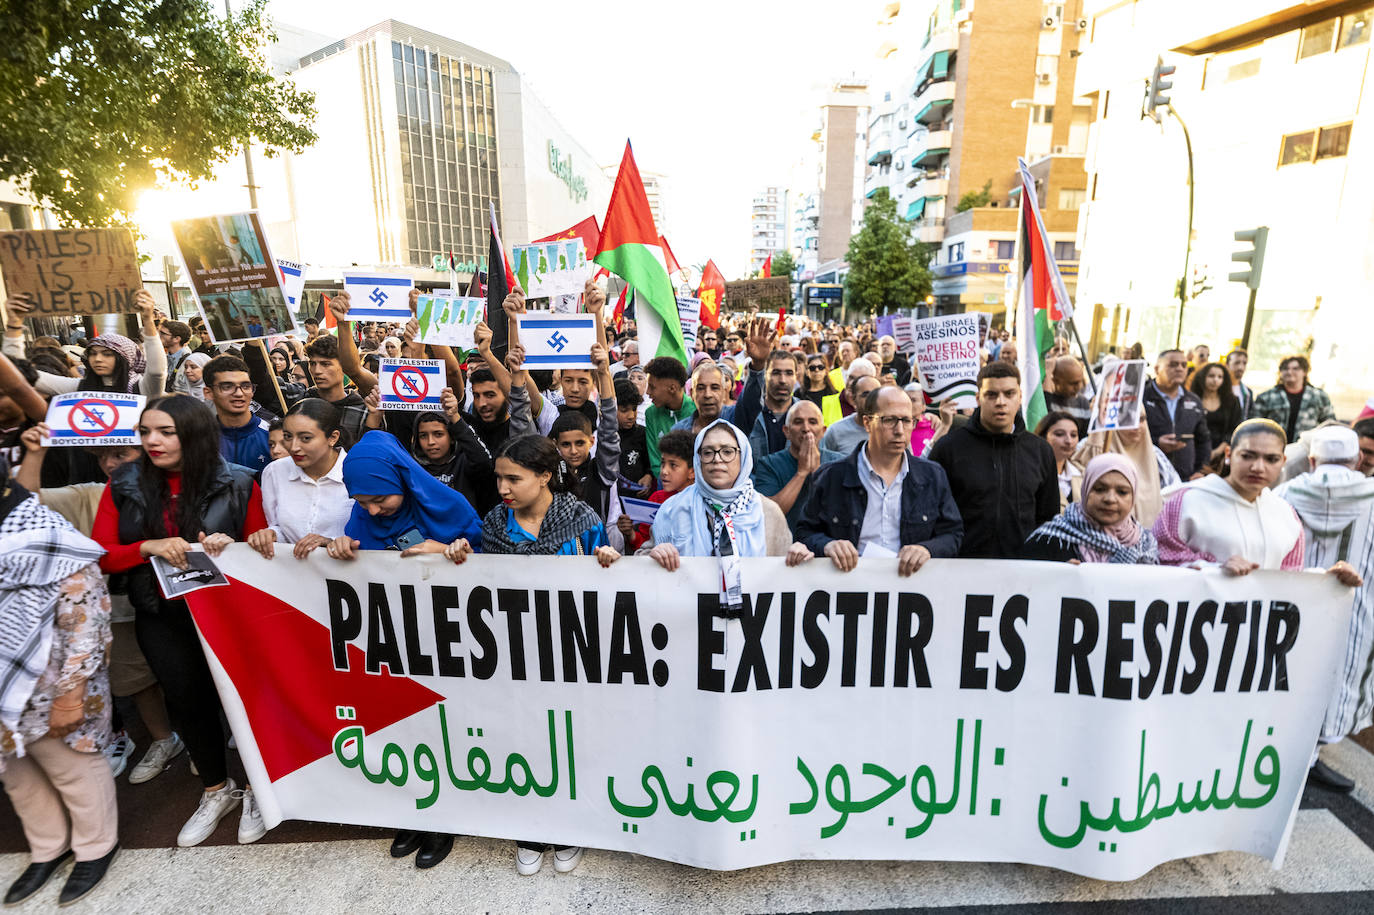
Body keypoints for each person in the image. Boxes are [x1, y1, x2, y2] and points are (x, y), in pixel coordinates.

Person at [90, 396, 268, 848]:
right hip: (161, 614)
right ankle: (215, 790)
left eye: (166, 432)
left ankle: (257, 790)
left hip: (229, 617)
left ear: (194, 434)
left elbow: (262, 551)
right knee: (188, 703)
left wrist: (234, 546)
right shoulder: (123, 483)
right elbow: (102, 554)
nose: (152, 441)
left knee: (245, 702)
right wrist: (147, 547)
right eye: (145, 431)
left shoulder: (240, 482)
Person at [445, 434, 617, 876]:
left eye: (513, 478)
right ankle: (530, 830)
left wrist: (609, 560)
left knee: (571, 740)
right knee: (523, 738)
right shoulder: (493, 524)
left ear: (543, 477)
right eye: (499, 478)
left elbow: (610, 587)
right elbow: (483, 583)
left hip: (572, 653)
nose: (502, 487)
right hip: (515, 654)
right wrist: (461, 555)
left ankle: (571, 828)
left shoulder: (581, 520)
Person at [326, 430, 482, 870]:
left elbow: (493, 567)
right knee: (402, 725)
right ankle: (415, 809)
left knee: (445, 727)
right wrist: (339, 548)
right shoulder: (361, 517)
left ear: (401, 480)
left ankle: (444, 816)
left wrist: (447, 551)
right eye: (363, 503)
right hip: (393, 641)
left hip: (448, 640)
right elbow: (357, 560)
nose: (373, 511)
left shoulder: (449, 506)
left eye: (381, 500)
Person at [0, 464, 120, 906]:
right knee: (16, 773)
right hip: (3, 688)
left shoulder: (50, 539)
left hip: (53, 684)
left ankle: (95, 846)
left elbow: (87, 620)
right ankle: (47, 847)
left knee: (71, 766)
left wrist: (71, 696)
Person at [1274, 425, 1373, 792]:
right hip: (1357, 609)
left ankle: (1283, 759)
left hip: (1292, 608)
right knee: (1338, 677)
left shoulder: (1282, 494)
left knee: (1287, 675)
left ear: (1313, 460)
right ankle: (1310, 758)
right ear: (1358, 459)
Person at [791, 386, 963, 574]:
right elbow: (804, 532)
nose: (899, 430)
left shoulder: (932, 476)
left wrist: (927, 549)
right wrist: (828, 545)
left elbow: (952, 534)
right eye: (889, 420)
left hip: (911, 584)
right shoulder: (831, 477)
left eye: (907, 421)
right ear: (867, 423)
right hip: (849, 584)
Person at [929, 362, 1058, 559]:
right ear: (978, 398)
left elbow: (1048, 518)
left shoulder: (1040, 451)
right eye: (991, 395)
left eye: (1009, 394)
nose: (1000, 402)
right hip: (960, 566)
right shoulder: (948, 448)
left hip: (1024, 568)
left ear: (1020, 397)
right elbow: (933, 513)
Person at [645, 419, 792, 589]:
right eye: (707, 452)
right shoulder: (673, 509)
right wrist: (654, 556)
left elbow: (787, 578)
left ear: (743, 456)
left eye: (727, 452)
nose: (717, 459)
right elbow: (641, 565)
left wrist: (799, 559)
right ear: (698, 459)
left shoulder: (768, 512)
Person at [1153, 419, 1304, 571]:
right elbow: (1163, 559)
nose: (1258, 467)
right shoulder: (1185, 502)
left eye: (1271, 459)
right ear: (1228, 454)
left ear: (1283, 461)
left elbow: (1291, 575)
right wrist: (1214, 569)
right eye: (1247, 456)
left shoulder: (1287, 515)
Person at [4, 291, 165, 398]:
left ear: (126, 359)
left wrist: (148, 320)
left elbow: (157, 371)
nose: (98, 359)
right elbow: (19, 372)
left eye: (107, 354)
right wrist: (14, 323)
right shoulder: (80, 387)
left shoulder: (143, 388)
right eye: (93, 353)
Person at [248, 399, 354, 560]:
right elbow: (278, 527)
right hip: (293, 571)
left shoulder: (356, 473)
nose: (294, 447)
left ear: (333, 438)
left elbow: (371, 537)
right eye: (287, 436)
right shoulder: (274, 472)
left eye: (305, 438)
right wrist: (271, 534)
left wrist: (331, 542)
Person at [1023, 454, 1160, 564]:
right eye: (1100, 489)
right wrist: (1058, 575)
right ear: (1085, 490)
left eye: (1122, 492)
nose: (1110, 499)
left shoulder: (1145, 544)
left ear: (1133, 497)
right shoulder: (1050, 540)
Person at [1072, 407, 1180, 527]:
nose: (1136, 426)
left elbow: (1175, 493)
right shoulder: (1091, 448)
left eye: (1141, 419)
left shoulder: (1156, 456)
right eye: (1129, 419)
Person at [753, 400, 844, 536]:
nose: (806, 428)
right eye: (798, 422)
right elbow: (768, 514)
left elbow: (843, 512)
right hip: (786, 543)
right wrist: (801, 473)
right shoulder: (769, 464)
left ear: (823, 431)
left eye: (812, 422)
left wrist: (817, 474)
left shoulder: (840, 462)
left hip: (828, 542)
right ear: (786, 431)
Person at [413, 395, 498, 515]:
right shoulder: (413, 468)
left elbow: (484, 462)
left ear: (452, 437)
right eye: (423, 436)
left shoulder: (464, 463)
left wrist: (455, 417)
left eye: (438, 434)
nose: (430, 442)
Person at [620, 429, 694, 551]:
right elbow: (644, 543)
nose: (664, 471)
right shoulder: (657, 498)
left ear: (692, 471)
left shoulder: (700, 502)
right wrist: (630, 533)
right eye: (662, 464)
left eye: (673, 465)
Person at [1142, 349, 1211, 481]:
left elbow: (1203, 440)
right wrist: (1156, 444)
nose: (1180, 369)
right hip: (1148, 476)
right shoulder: (1141, 398)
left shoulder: (1194, 401)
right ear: (1157, 369)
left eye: (1184, 365)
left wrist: (1201, 470)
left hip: (1185, 478)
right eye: (1173, 365)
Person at [203, 354, 273, 476]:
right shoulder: (199, 440)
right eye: (227, 387)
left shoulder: (272, 436)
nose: (239, 393)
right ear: (208, 393)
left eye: (245, 386)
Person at [1252, 354, 1337, 444]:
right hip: (1272, 446)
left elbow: (1329, 426)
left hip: (1306, 448)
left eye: (1295, 369)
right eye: (1285, 369)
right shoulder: (1266, 397)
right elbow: (1254, 425)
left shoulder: (1319, 397)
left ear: (1304, 372)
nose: (1289, 372)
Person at [303, 334, 373, 443]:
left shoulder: (362, 411)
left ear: (344, 365)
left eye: (325, 364)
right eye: (312, 363)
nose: (317, 371)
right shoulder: (302, 401)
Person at [644, 356, 694, 477]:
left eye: (652, 387)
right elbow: (655, 461)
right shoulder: (651, 414)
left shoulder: (696, 411)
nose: (647, 392)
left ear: (672, 388)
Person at [1190, 361, 1244, 468]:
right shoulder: (1191, 400)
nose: (1215, 380)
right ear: (1202, 377)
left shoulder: (1232, 401)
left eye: (1220, 377)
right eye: (1211, 376)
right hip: (1194, 454)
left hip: (1223, 455)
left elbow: (1235, 428)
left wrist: (1218, 451)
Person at [819, 369, 880, 456]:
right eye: (865, 395)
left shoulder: (890, 428)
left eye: (875, 395)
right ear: (854, 399)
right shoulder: (836, 431)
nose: (870, 399)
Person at [1036, 411, 1082, 510]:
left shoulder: (1081, 472)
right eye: (1060, 434)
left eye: (1073, 435)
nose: (1069, 441)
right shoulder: (1032, 473)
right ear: (1043, 436)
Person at [1044, 357, 1092, 437]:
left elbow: (1086, 437)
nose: (1079, 387)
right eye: (1073, 383)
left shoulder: (1083, 403)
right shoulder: (1047, 400)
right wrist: (1048, 374)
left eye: (1080, 381)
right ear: (1055, 381)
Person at [799, 354, 842, 426]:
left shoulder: (834, 394)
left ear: (826, 371)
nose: (817, 370)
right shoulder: (798, 394)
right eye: (812, 368)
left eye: (820, 367)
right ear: (806, 372)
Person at [159, 320, 194, 394]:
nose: (158, 335)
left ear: (176, 339)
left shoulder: (189, 361)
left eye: (163, 333)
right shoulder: (165, 357)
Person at [1226, 348, 1255, 416]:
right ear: (1227, 365)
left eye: (1244, 363)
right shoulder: (1218, 389)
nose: (1240, 367)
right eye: (1236, 363)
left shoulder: (1248, 393)